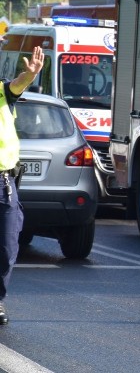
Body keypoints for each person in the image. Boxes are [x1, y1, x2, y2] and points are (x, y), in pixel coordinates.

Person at [1, 46, 44, 325]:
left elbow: (15, 86)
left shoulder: (2, 93)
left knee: (7, 245)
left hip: (2, 181)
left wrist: (29, 76)